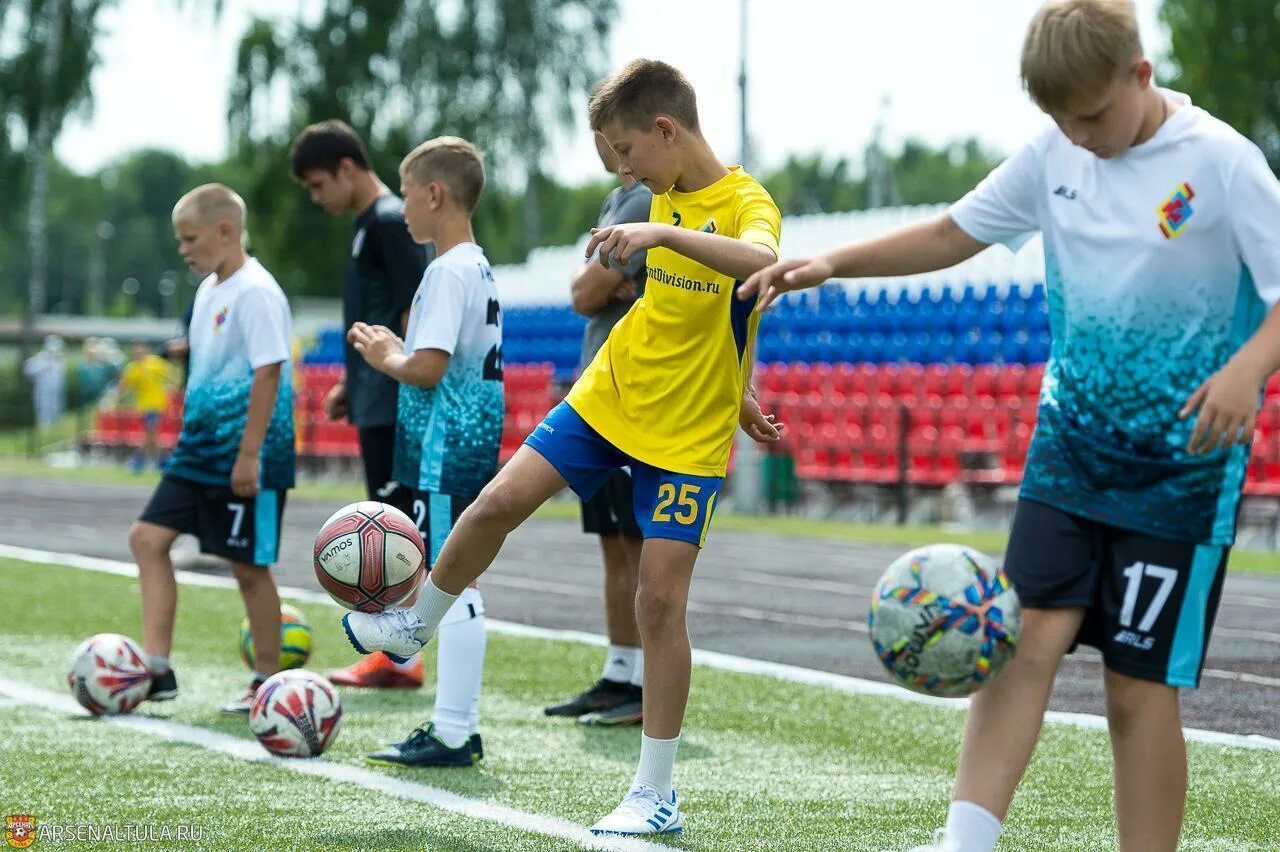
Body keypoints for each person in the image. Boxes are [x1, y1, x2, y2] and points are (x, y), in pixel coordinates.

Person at [740, 3, 1280, 850]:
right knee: (1019, 641)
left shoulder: (1222, 165)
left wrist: (1248, 371)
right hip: (1067, 452)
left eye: (1092, 115)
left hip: (1179, 475)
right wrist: (836, 262)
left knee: (1137, 689)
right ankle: (966, 839)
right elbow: (956, 231)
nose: (1079, 135)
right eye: (1059, 119)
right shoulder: (1055, 150)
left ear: (1141, 74)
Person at [343, 59, 784, 835]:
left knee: (659, 601)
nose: (621, 169)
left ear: (665, 130)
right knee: (495, 504)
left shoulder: (742, 202)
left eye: (624, 151)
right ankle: (415, 623)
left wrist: (732, 385)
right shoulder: (657, 193)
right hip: (609, 395)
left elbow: (762, 269)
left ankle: (654, 793)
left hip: (686, 435)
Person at [345, 136, 499, 767]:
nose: (401, 207)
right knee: (452, 578)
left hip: (445, 447)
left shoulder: (444, 269)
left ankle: (454, 731)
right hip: (467, 442)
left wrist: (386, 358)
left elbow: (429, 368)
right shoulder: (479, 265)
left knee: (449, 581)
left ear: (433, 194)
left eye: (407, 193)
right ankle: (451, 726)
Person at [128, 183, 296, 715]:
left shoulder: (257, 291)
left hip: (250, 458)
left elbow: (269, 370)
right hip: (196, 453)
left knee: (248, 567)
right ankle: (158, 669)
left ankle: (267, 684)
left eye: (189, 238)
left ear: (225, 232)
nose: (183, 250)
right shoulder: (208, 291)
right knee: (147, 539)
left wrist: (249, 454)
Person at [291, 119, 431, 690]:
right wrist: (355, 379)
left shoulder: (389, 223)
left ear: (348, 168)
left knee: (394, 533)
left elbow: (410, 312)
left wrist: (398, 380)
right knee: (384, 523)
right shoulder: (365, 227)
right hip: (377, 396)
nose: (317, 198)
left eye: (319, 185)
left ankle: (400, 655)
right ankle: (395, 653)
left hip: (398, 403)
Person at [543, 131, 652, 728]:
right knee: (613, 543)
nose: (600, 146)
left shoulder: (639, 203)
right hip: (602, 386)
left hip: (627, 392)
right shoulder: (618, 201)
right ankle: (619, 673)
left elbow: (585, 291)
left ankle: (640, 683)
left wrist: (599, 280)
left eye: (607, 133)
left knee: (632, 542)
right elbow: (586, 289)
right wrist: (601, 281)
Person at [117, 340, 174, 473]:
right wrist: (117, 398)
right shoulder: (132, 368)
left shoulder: (155, 363)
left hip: (157, 404)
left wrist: (172, 386)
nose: (139, 353)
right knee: (151, 435)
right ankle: (162, 461)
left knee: (150, 432)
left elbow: (170, 374)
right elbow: (124, 386)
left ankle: (140, 461)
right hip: (143, 406)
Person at [24, 335, 67, 429]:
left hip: (56, 391)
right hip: (43, 392)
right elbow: (28, 370)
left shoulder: (59, 361)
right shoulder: (40, 358)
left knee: (56, 412)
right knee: (44, 414)